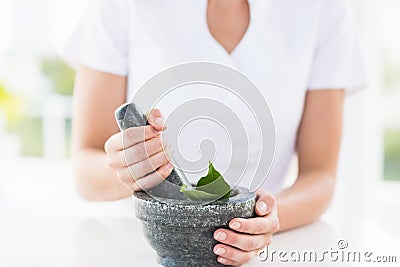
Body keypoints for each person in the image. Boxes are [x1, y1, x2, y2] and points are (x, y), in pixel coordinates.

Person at [64, 0, 366, 265]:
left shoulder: (322, 9)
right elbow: (84, 171)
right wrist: (133, 169)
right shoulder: (119, 6)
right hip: (131, 247)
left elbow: (320, 176)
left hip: (261, 252)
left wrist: (261, 221)